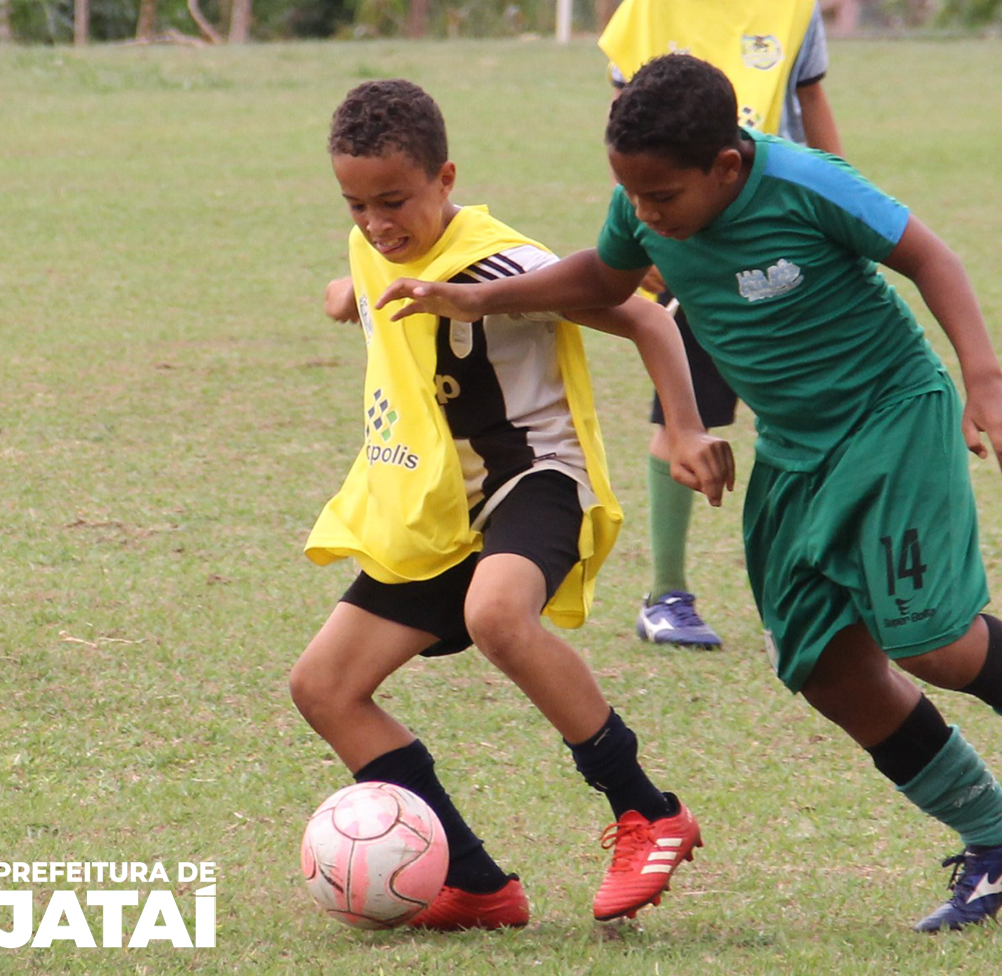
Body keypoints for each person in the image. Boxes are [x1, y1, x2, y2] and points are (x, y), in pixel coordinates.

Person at [378, 54, 1002, 932]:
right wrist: (468, 299)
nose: (646, 215)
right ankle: (999, 835)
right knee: (825, 667)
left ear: (727, 166)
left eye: (662, 196)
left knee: (928, 638)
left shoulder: (804, 182)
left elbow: (930, 256)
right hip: (792, 447)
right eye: (629, 193)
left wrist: (984, 377)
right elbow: (603, 280)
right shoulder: (646, 201)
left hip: (890, 413)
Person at [292, 79, 734, 929]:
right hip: (437, 512)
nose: (378, 224)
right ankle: (475, 884)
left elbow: (648, 321)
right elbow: (351, 280)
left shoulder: (504, 265)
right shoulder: (374, 245)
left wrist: (681, 430)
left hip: (536, 484)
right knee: (324, 687)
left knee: (498, 614)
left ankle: (648, 810)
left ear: (445, 177)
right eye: (356, 205)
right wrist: (344, 295)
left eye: (395, 201)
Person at [598, 0, 843, 650]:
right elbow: (623, 121)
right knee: (680, 414)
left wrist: (840, 194)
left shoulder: (796, 9)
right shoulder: (648, 8)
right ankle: (667, 595)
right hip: (696, 241)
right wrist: (642, 219)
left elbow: (811, 103)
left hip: (785, 237)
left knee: (806, 416)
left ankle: (804, 593)